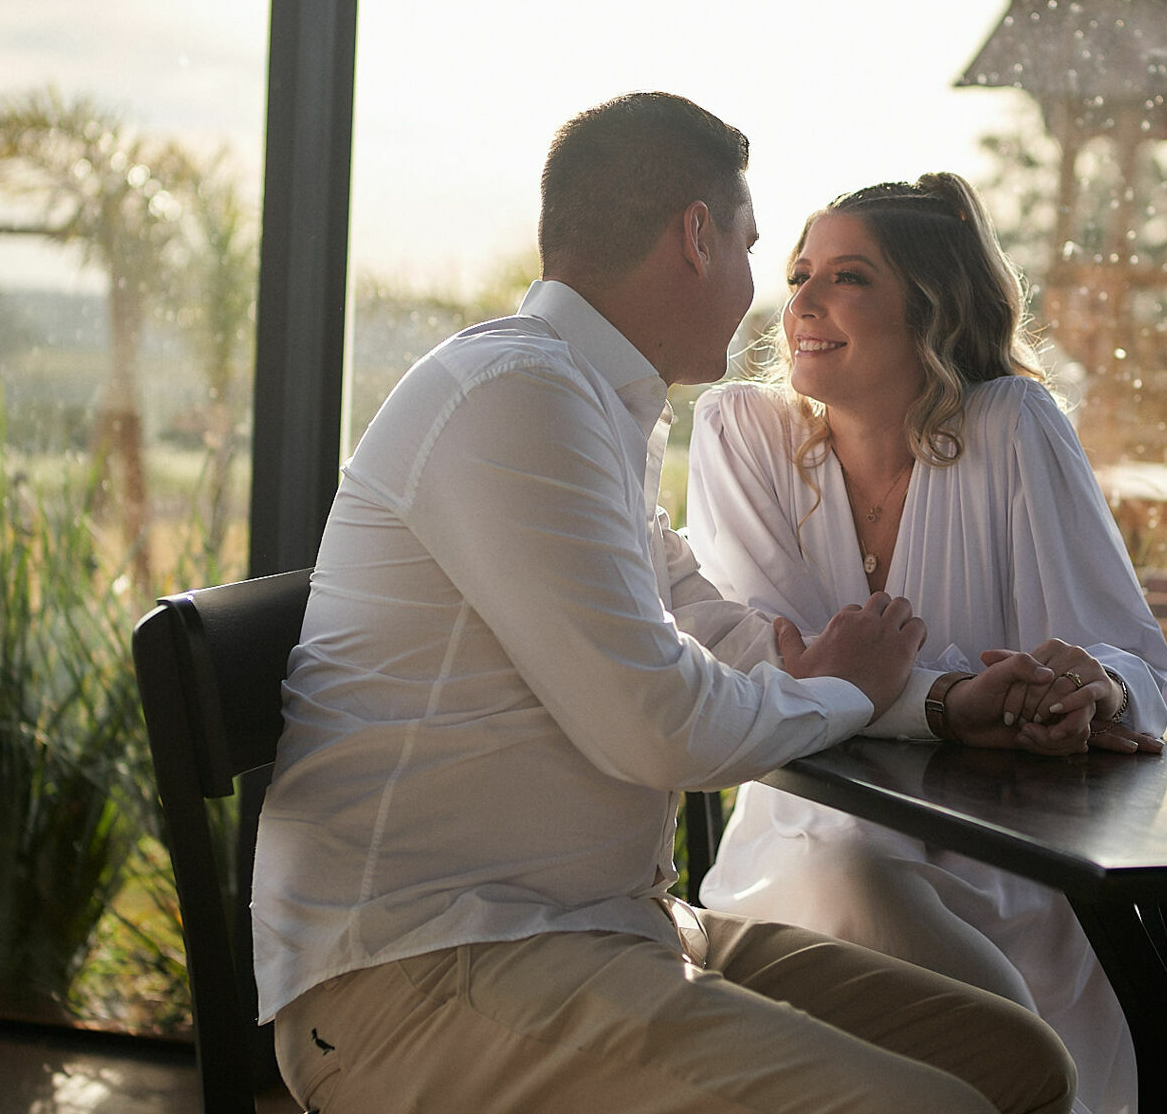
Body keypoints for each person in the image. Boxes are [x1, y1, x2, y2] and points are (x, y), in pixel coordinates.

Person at [250, 95, 1085, 1114]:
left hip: (600, 928)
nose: (760, 293)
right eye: (750, 246)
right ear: (696, 236)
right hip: (421, 970)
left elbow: (724, 629)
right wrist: (846, 691)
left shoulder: (589, 408)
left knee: (1020, 1064)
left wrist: (946, 700)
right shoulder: (516, 395)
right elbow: (661, 723)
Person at [687, 173, 1167, 1114]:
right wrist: (960, 707)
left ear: (931, 311)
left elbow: (1129, 660)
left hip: (1003, 865)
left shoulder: (1013, 427)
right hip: (806, 840)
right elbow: (780, 671)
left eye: (850, 278)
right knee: (856, 876)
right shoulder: (741, 434)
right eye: (799, 274)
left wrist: (1085, 690)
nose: (804, 303)